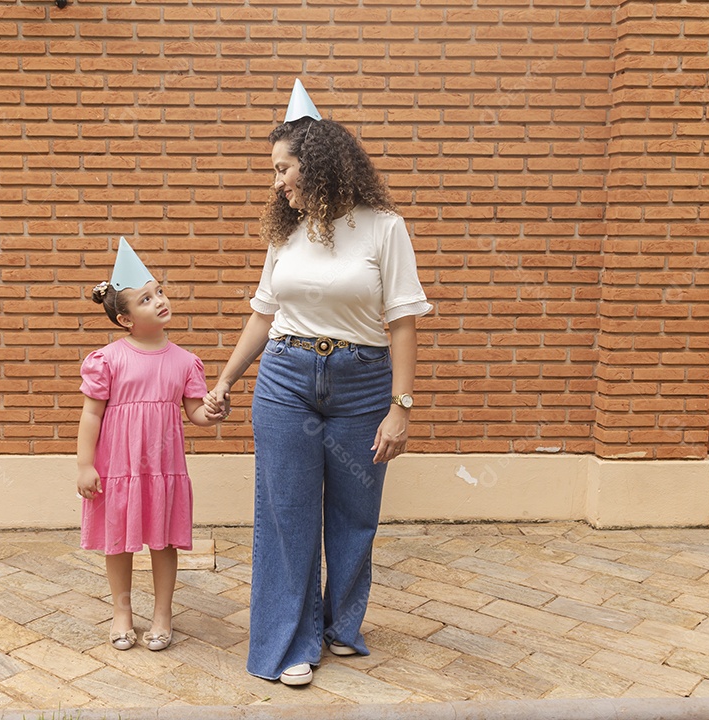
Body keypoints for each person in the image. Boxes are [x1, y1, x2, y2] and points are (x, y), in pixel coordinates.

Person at [204, 80, 433, 686]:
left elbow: (403, 321)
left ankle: (340, 624)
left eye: (284, 168)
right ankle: (291, 642)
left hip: (362, 383)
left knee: (357, 512)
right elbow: (263, 313)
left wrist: (400, 407)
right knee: (286, 513)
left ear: (318, 162)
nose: (276, 182)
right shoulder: (285, 233)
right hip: (285, 379)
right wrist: (226, 380)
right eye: (274, 170)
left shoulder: (384, 227)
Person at [78, 238, 221, 652]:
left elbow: (194, 412)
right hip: (118, 469)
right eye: (146, 298)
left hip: (162, 469)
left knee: (163, 540)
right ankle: (121, 611)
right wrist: (85, 465)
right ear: (126, 319)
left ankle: (162, 613)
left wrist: (211, 412)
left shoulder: (184, 361)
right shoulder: (107, 359)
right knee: (117, 540)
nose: (160, 300)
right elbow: (91, 414)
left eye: (159, 291)